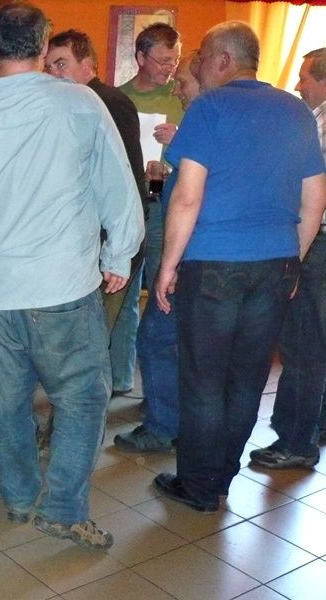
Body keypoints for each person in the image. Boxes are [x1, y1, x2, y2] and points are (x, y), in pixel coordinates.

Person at [0, 2, 143, 549]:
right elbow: (117, 184)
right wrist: (120, 255)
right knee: (82, 399)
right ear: (45, 46)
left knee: (9, 402)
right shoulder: (80, 103)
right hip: (65, 288)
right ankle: (63, 509)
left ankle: (20, 497)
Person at [152, 23, 326, 512]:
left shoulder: (209, 108)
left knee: (204, 379)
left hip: (213, 264)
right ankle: (221, 476)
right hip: (275, 264)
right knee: (247, 378)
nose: (198, 65)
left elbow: (187, 197)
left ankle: (199, 486)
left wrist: (167, 266)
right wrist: (291, 260)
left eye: (203, 56)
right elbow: (315, 199)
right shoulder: (296, 111)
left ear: (224, 60)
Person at [115, 51, 202, 453]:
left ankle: (164, 422)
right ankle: (162, 406)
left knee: (158, 332)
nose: (177, 86)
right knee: (152, 322)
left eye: (182, 78)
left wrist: (170, 265)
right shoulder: (122, 97)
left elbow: (192, 195)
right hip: (152, 213)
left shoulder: (203, 119)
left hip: (187, 243)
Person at [250, 47, 326, 469]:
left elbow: (310, 191)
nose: (298, 86)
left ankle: (295, 441)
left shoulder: (320, 124)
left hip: (317, 242)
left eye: (305, 77)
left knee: (302, 345)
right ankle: (314, 425)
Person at [44, 29, 146, 330]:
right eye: (48, 67)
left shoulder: (107, 102)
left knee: (94, 334)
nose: (53, 73)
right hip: (103, 241)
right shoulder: (78, 104)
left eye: (61, 64)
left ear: (88, 65)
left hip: (107, 243)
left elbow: (121, 182)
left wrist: (113, 250)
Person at [114, 22, 184, 395]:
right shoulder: (118, 98)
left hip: (165, 203)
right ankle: (120, 377)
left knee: (163, 291)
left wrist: (176, 145)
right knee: (121, 290)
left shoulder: (182, 97)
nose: (169, 69)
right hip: (126, 204)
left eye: (174, 61)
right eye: (162, 60)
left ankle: (158, 389)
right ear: (140, 57)